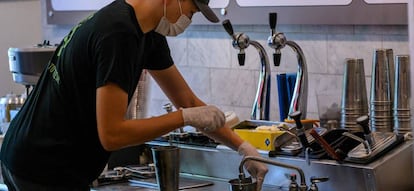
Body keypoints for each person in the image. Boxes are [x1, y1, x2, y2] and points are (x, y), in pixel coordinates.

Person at [0, 0, 268, 190]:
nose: (188, 19)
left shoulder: (146, 31)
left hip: (39, 159)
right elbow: (112, 135)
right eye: (192, 10)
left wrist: (244, 149)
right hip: (42, 168)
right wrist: (182, 118)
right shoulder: (119, 34)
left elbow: (187, 101)